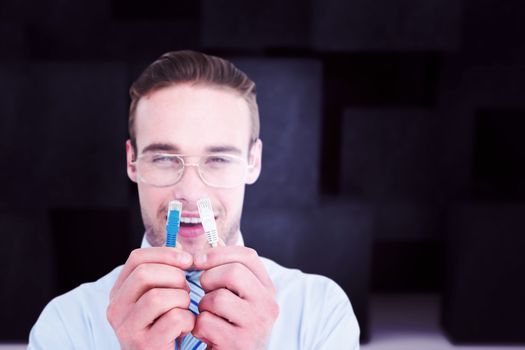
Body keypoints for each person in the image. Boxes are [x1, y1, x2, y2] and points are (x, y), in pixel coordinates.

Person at [28, 50, 360, 349]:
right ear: (132, 162)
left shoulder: (320, 313)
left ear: (252, 163)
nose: (190, 192)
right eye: (164, 158)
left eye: (218, 159)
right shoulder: (66, 325)